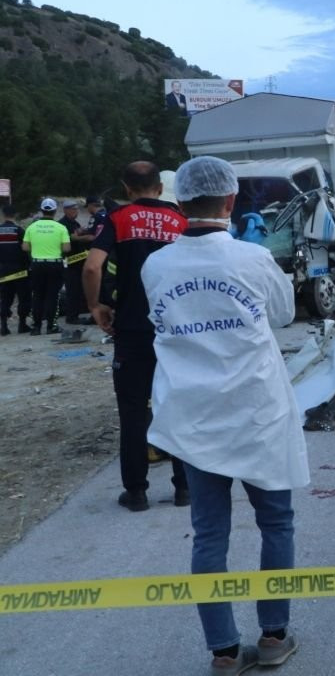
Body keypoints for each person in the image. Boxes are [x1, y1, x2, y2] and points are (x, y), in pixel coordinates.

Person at [144, 156, 307, 675]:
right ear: (231, 201)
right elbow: (283, 314)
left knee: (209, 534)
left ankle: (223, 652)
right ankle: (275, 636)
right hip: (257, 412)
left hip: (194, 418)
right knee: (275, 523)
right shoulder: (252, 259)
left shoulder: (156, 265)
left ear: (179, 200)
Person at [84, 162, 189, 512]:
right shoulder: (180, 220)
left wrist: (96, 305)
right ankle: (185, 489)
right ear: (160, 188)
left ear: (126, 188)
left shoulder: (118, 218)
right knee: (176, 407)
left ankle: (137, 492)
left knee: (132, 413)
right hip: (176, 329)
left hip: (131, 330)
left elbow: (92, 266)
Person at [21, 198, 70, 336]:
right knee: (52, 296)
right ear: (54, 211)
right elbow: (67, 248)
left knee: (37, 296)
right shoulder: (61, 228)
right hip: (55, 264)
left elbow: (25, 247)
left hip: (37, 264)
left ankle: (36, 327)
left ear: (42, 211)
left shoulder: (32, 227)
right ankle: (51, 326)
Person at [59, 199, 93, 324]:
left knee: (78, 290)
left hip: (79, 264)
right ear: (66, 210)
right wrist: (85, 237)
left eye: (77, 209)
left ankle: (75, 314)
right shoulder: (62, 224)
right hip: (70, 263)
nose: (76, 211)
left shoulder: (75, 223)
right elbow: (68, 240)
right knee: (72, 290)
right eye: (73, 209)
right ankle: (71, 317)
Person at [0, 204, 32, 335]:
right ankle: (22, 324)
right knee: (24, 297)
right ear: (15, 215)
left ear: (3, 214)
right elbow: (25, 251)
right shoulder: (19, 230)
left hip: (3, 270)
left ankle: (4, 326)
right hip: (20, 270)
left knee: (5, 298)